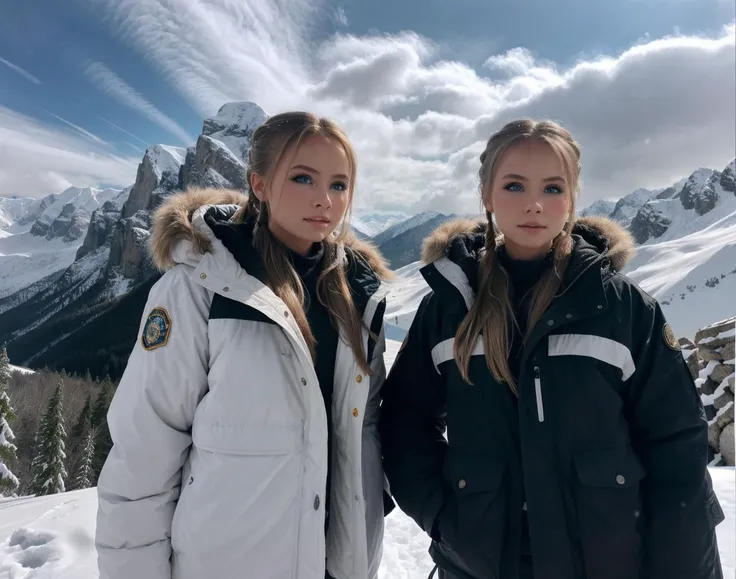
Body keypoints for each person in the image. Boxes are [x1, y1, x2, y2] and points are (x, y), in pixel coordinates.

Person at [379, 119, 725, 579]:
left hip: (605, 560)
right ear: (487, 196)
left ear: (573, 198)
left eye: (554, 188)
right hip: (478, 563)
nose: (535, 204)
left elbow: (675, 445)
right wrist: (442, 517)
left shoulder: (622, 307)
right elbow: (405, 419)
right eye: (515, 186)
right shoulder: (447, 308)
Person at [95, 111, 394, 579]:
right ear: (259, 184)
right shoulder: (202, 284)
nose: (325, 199)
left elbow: (368, 429)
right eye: (302, 178)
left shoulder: (360, 293)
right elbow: (143, 453)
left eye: (339, 184)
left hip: (343, 564)